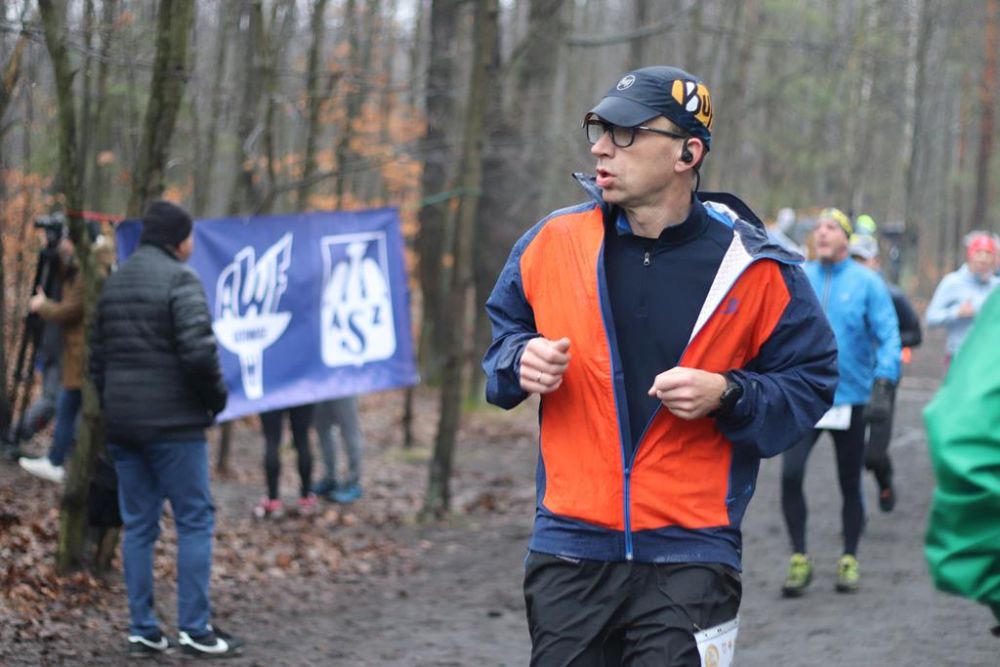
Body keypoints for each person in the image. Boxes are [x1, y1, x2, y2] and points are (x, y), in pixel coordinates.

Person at [483, 65, 838, 665]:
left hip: (693, 551)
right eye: (598, 130)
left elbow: (811, 379)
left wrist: (729, 393)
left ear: (686, 153)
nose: (601, 147)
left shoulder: (755, 266)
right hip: (569, 547)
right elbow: (501, 342)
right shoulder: (552, 243)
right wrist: (519, 358)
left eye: (625, 133)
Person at [90, 201, 243, 657]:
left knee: (139, 525)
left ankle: (143, 628)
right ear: (178, 240)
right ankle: (195, 629)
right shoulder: (182, 279)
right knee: (194, 520)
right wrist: (215, 401)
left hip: (124, 427)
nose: (192, 244)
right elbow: (199, 353)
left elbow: (97, 361)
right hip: (174, 427)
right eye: (190, 235)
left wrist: (116, 407)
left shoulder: (115, 282)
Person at [780, 208, 901, 598]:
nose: (822, 233)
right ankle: (799, 557)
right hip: (805, 397)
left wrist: (883, 381)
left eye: (831, 227)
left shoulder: (867, 283)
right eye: (817, 227)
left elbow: (889, 334)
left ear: (847, 239)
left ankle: (849, 557)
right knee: (790, 475)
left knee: (850, 482)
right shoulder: (799, 276)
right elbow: (777, 329)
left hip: (852, 399)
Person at [924, 288, 1000, 638]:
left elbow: (964, 436)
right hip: (963, 366)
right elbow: (930, 318)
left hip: (976, 380)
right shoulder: (955, 283)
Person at [19, 234, 112, 482]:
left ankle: (58, 460)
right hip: (80, 352)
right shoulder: (90, 267)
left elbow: (70, 309)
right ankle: (62, 458)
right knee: (70, 405)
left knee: (67, 405)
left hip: (82, 353)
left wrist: (42, 305)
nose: (64, 245)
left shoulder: (90, 272)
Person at [848, 232, 923, 511]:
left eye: (862, 260)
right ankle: (855, 512)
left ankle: (885, 482)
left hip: (883, 380)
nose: (857, 266)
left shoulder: (893, 295)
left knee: (873, 455)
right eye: (852, 259)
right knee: (850, 454)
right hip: (850, 380)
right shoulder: (842, 293)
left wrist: (885, 339)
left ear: (875, 262)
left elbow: (915, 334)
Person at [925, 231, 999, 367]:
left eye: (988, 254)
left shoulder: (996, 287)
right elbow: (931, 317)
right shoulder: (952, 282)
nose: (983, 259)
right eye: (979, 253)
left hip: (991, 360)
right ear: (970, 255)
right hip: (959, 357)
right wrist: (957, 312)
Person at [253, 404, 317, 518]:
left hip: (271, 396)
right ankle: (306, 498)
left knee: (272, 442)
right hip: (301, 394)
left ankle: (272, 499)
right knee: (302, 440)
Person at [311, 396, 366, 503]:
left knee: (349, 429)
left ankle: (354, 483)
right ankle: (330, 479)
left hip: (344, 388)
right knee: (322, 427)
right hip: (319, 388)